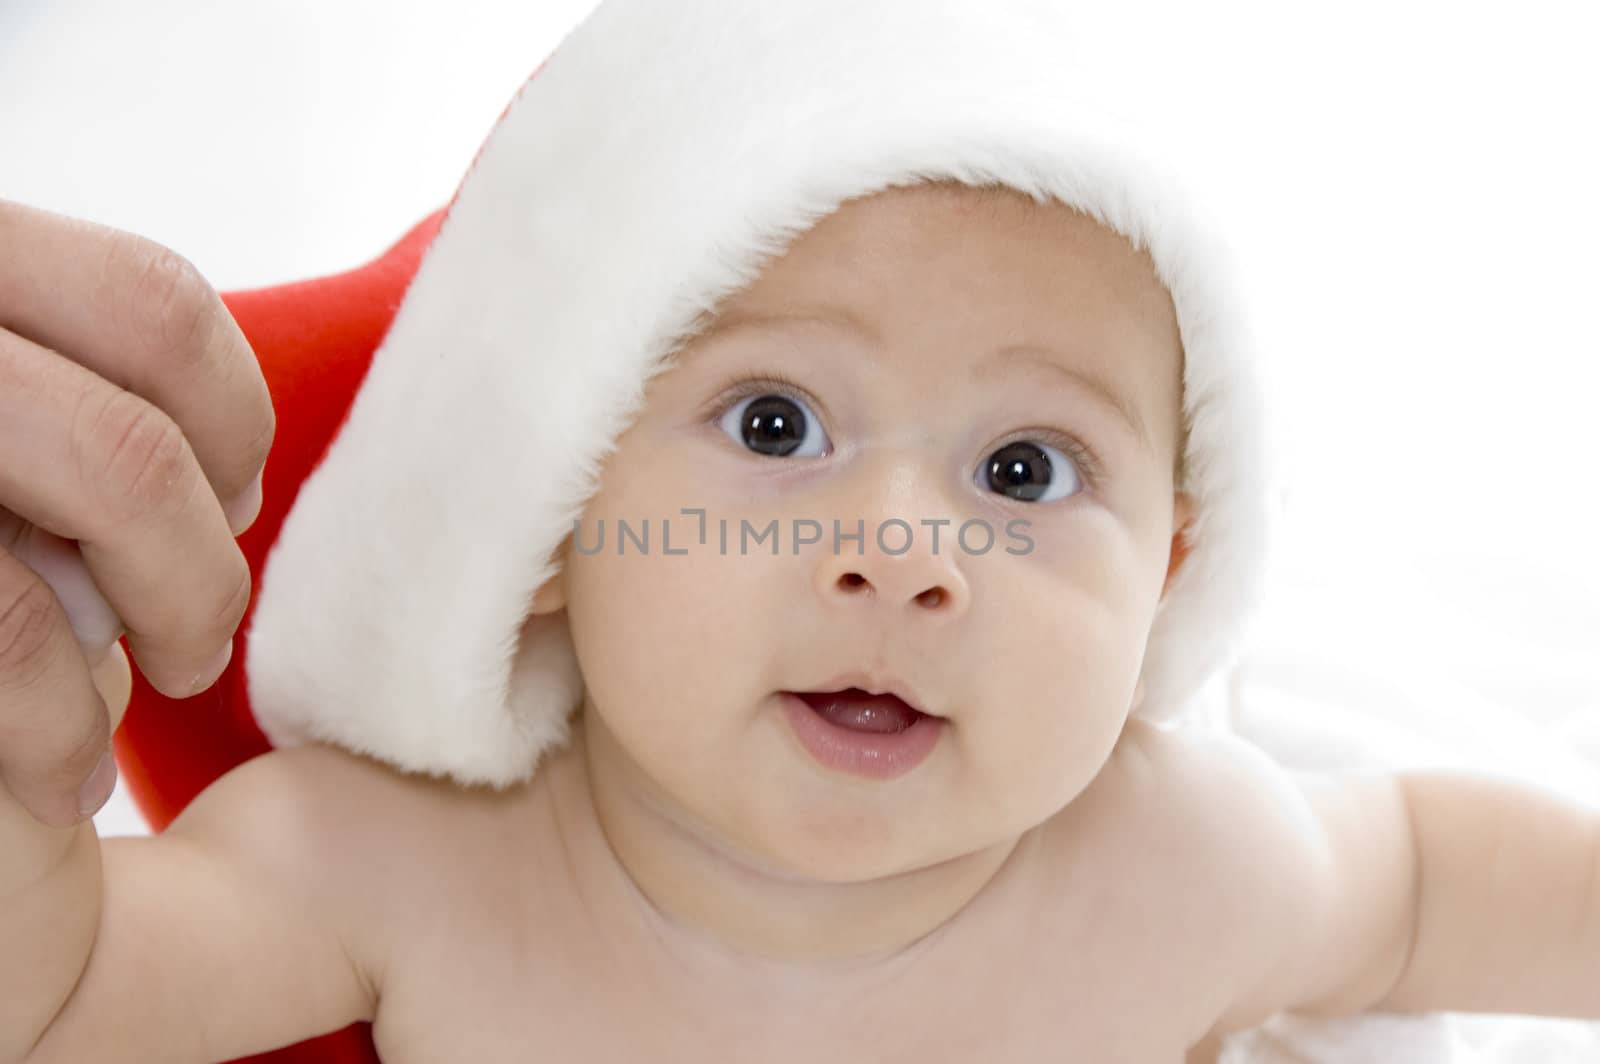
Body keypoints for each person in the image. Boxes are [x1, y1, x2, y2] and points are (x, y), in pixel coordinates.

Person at [3, 3, 1597, 1062]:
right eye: (777, 427)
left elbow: (1422, 884)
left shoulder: (1176, 872)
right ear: (556, 511)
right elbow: (62, 992)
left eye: (1026, 472)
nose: (905, 552)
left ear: (1165, 576)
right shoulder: (396, 873)